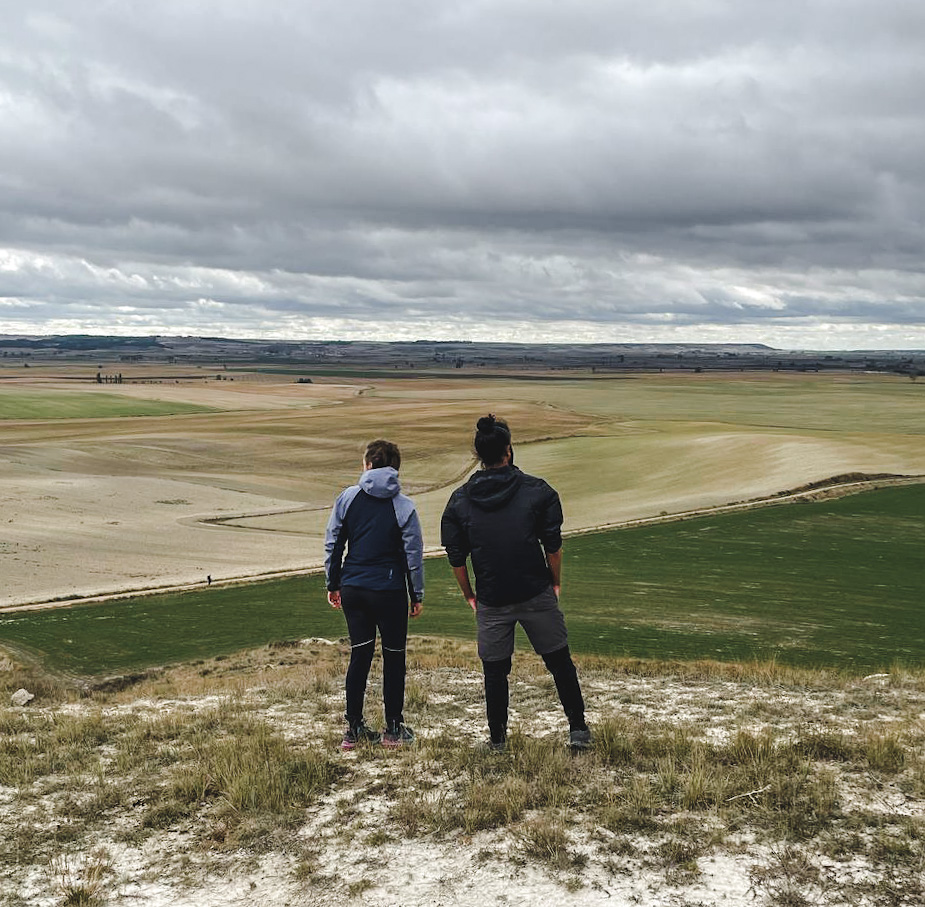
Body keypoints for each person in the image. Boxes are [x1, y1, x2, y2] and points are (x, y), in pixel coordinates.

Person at [441, 415, 590, 752]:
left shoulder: (459, 501)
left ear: (479, 455)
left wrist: (469, 596)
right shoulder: (538, 492)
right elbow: (553, 545)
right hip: (535, 590)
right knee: (559, 661)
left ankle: (497, 741)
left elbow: (455, 557)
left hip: (492, 599)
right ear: (508, 451)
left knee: (495, 672)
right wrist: (554, 583)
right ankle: (578, 730)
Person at [325, 439, 424, 750]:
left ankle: (353, 729)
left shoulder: (347, 497)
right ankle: (393, 730)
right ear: (396, 468)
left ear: (367, 465)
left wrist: (333, 583)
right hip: (390, 590)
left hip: (354, 587)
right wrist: (416, 593)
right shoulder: (405, 506)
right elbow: (413, 555)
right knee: (394, 658)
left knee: (360, 654)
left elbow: (334, 543)